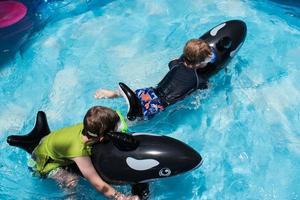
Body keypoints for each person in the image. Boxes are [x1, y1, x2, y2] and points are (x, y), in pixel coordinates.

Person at [28, 106, 139, 200]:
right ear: (101, 138)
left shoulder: (91, 126)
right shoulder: (79, 152)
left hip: (47, 145)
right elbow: (97, 184)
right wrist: (121, 197)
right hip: (42, 165)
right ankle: (69, 197)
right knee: (72, 180)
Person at [94, 39, 217, 120]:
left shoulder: (177, 64)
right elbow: (205, 88)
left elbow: (172, 61)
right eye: (207, 60)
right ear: (199, 63)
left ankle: (115, 93)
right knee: (134, 120)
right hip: (157, 105)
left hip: (148, 92)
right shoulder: (198, 80)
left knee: (135, 100)